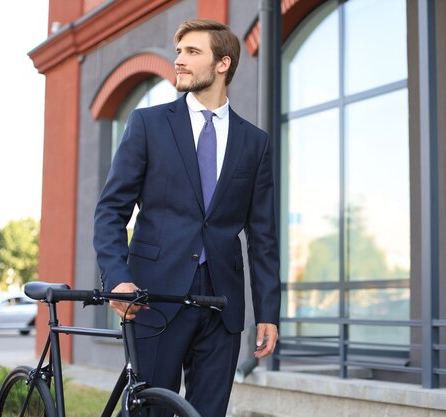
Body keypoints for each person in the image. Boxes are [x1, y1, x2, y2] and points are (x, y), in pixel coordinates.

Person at [93, 18, 281, 417]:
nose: (179, 60)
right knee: (150, 410)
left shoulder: (255, 142)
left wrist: (268, 313)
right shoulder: (148, 124)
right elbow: (111, 210)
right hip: (154, 297)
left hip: (222, 306)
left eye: (192, 52)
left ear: (223, 63)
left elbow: (263, 236)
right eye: (178, 51)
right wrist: (116, 279)